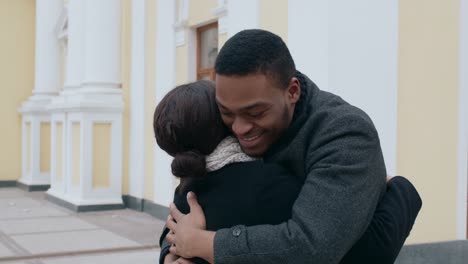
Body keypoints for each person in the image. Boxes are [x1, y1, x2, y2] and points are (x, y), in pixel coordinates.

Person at [160, 29, 422, 264]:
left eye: (256, 113)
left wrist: (205, 244)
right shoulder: (229, 114)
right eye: (227, 113)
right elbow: (189, 198)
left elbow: (313, 246)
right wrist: (172, 254)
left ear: (292, 91)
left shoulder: (344, 133)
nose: (239, 128)